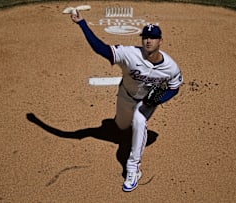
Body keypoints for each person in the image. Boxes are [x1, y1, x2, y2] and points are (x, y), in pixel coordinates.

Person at [71, 10, 183, 192]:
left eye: (152, 38)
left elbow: (174, 87)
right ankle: (124, 124)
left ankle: (133, 168)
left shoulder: (171, 67)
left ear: (160, 41)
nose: (148, 40)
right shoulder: (130, 54)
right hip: (125, 95)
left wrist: (156, 100)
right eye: (145, 37)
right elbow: (101, 48)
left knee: (139, 120)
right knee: (121, 127)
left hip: (145, 101)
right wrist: (82, 23)